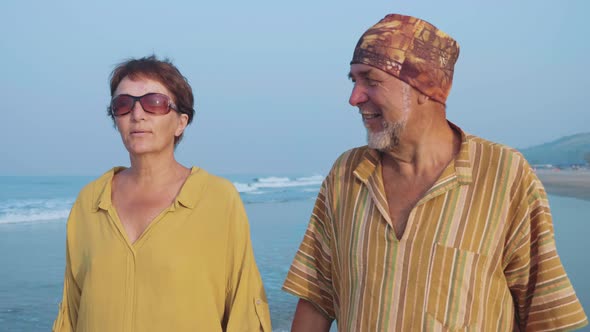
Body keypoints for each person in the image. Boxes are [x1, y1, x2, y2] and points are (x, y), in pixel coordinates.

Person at [283, 14, 588, 331]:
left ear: (424, 87)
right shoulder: (346, 174)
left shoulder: (505, 175)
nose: (354, 98)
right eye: (353, 80)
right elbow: (316, 298)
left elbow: (545, 314)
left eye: (370, 81)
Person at [52, 55, 271, 332]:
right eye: (123, 104)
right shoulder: (90, 202)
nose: (137, 114)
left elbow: (245, 311)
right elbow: (71, 312)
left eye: (154, 103)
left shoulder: (217, 199)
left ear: (181, 122)